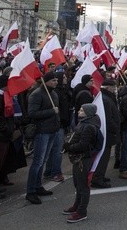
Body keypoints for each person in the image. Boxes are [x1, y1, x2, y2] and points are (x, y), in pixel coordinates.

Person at [62, 103, 101, 223]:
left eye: (82, 110)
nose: (79, 111)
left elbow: (83, 145)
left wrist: (69, 146)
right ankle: (77, 205)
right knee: (78, 184)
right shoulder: (83, 122)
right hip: (78, 158)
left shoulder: (89, 126)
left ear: (88, 113)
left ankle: (82, 211)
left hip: (83, 159)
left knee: (83, 185)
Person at [25, 72, 60, 205]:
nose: (55, 82)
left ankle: (38, 186)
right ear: (45, 82)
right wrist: (52, 111)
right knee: (37, 162)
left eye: (56, 80)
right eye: (53, 80)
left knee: (43, 160)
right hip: (42, 132)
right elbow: (32, 113)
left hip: (52, 130)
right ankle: (30, 191)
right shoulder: (36, 94)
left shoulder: (53, 94)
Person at [91, 78, 119, 188]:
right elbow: (108, 118)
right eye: (113, 87)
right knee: (103, 157)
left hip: (107, 132)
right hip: (106, 133)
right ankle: (97, 178)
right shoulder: (106, 99)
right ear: (108, 88)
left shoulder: (106, 97)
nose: (115, 89)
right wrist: (115, 128)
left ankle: (100, 175)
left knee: (105, 156)